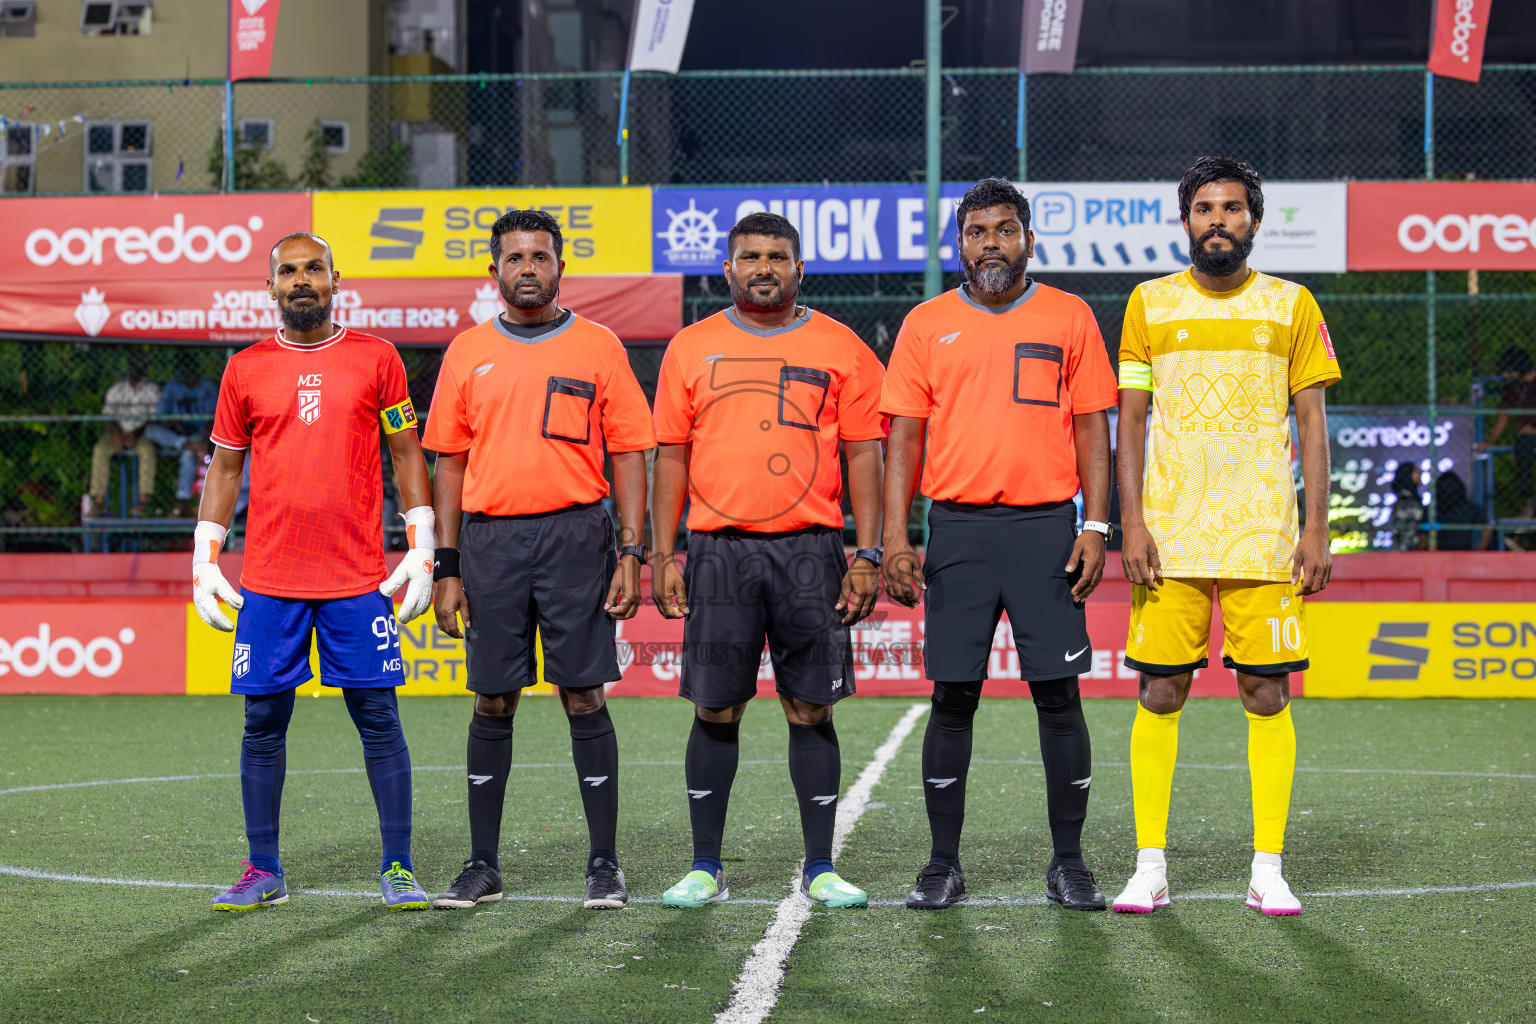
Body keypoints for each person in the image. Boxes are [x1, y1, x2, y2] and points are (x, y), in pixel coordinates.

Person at [882, 178, 1118, 911]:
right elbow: (904, 440)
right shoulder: (926, 323)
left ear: (1028, 240)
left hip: (1048, 529)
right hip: (957, 529)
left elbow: (1091, 431)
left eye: (1005, 229)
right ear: (959, 244)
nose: (992, 243)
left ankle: (1070, 863)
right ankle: (941, 863)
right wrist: (894, 537)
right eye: (978, 231)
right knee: (953, 696)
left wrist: (1095, 525)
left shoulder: (1070, 315)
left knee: (1058, 695)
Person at [1113, 157, 1340, 917]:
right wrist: (1132, 524)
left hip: (1265, 534)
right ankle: (1150, 867)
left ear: (1254, 220)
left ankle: (1267, 869)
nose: (1218, 220)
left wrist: (1316, 527)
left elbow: (1311, 420)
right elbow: (1132, 422)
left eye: (1233, 208)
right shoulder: (1148, 303)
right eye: (1205, 208)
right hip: (1169, 535)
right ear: (1185, 221)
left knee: (1266, 693)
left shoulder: (1292, 304)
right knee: (1160, 690)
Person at [193, 231, 438, 912]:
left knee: (378, 719)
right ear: (270, 286)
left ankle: (397, 866)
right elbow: (227, 466)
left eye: (314, 269)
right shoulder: (244, 368)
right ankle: (262, 868)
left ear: (337, 279)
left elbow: (406, 452)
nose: (302, 280)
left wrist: (423, 543)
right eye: (288, 271)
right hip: (270, 581)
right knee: (263, 722)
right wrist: (205, 555)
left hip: (357, 579)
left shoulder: (378, 358)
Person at [650, 212, 886, 910]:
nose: (763, 267)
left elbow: (864, 453)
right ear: (727, 269)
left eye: (777, 256)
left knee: (809, 707)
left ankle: (820, 867)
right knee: (715, 708)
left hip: (811, 549)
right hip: (718, 550)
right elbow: (671, 454)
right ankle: (704, 866)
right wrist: (663, 554)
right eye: (750, 256)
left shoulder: (840, 346)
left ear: (799, 268)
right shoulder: (690, 348)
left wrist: (867, 553)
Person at [424, 209, 654, 911]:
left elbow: (629, 453)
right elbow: (450, 465)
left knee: (583, 693)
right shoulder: (467, 351)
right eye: (515, 258)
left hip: (576, 538)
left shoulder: (599, 345)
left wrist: (632, 551)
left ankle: (605, 864)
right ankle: (482, 865)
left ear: (560, 267)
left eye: (540, 257)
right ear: (493, 270)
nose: (528, 268)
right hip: (491, 544)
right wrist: (448, 564)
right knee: (492, 697)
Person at [88, 349, 160, 517]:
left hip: (141, 432)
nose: (136, 368)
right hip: (118, 432)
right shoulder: (116, 389)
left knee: (147, 451)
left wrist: (135, 434)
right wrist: (116, 434)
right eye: (133, 364)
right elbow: (108, 416)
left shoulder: (152, 390)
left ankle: (143, 500)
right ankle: (99, 501)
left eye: (140, 364)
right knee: (100, 450)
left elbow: (154, 417)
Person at [143, 360, 219, 517]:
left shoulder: (207, 387)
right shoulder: (173, 386)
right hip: (177, 434)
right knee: (151, 430)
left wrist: (205, 439)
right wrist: (175, 424)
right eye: (181, 372)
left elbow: (214, 419)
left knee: (188, 456)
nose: (185, 376)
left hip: (201, 434)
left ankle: (182, 501)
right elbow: (159, 417)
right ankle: (188, 445)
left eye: (188, 371)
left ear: (195, 371)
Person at [1478, 347, 1536, 520]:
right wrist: (1490, 440)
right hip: (1528, 435)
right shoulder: (1512, 387)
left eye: (1509, 371)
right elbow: (1503, 415)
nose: (1506, 375)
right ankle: (1530, 504)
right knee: (1523, 444)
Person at [1388, 462, 1425, 552]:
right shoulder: (1407, 501)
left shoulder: (1405, 499)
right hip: (1409, 552)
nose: (1420, 472)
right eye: (1416, 470)